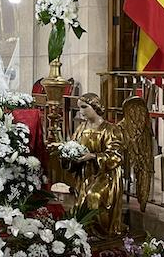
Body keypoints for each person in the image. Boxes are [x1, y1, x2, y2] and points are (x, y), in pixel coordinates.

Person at [67, 93, 124, 237]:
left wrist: (92, 156)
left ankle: (101, 232)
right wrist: (67, 154)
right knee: (80, 205)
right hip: (85, 173)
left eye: (85, 107)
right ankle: (85, 233)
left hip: (105, 175)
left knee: (94, 196)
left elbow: (116, 156)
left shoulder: (110, 129)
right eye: (80, 108)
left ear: (95, 107)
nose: (82, 111)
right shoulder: (81, 128)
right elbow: (73, 146)